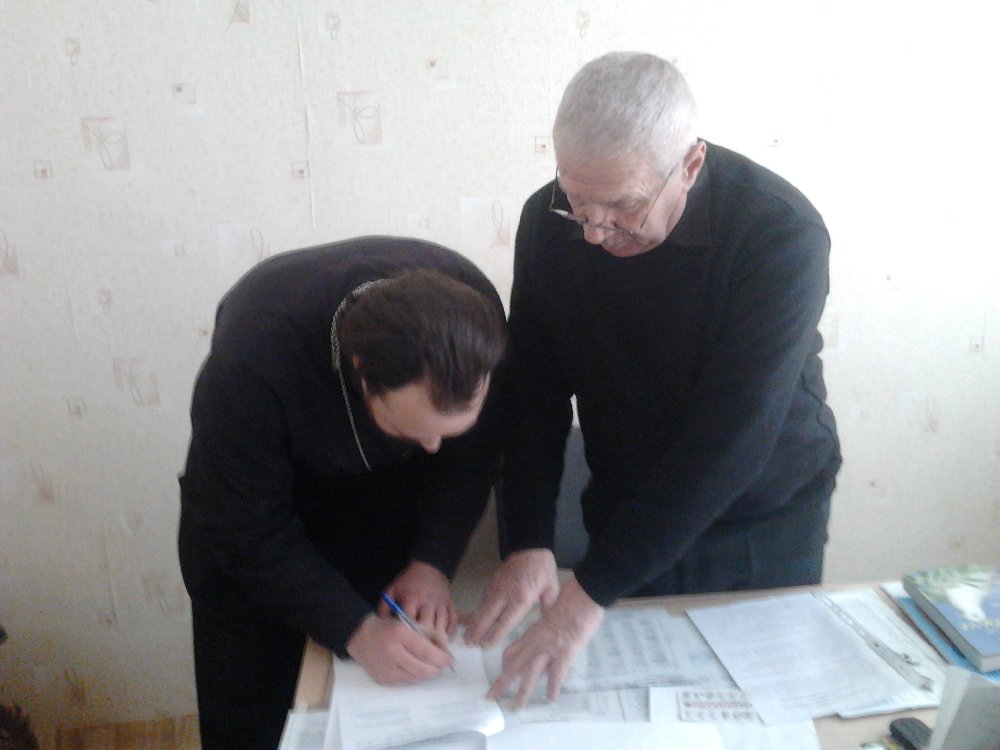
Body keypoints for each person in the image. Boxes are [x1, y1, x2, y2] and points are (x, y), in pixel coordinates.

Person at [464, 51, 841, 707]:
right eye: (578, 202)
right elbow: (533, 394)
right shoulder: (548, 224)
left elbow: (732, 439)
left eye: (625, 206)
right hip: (628, 496)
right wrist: (528, 540)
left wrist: (588, 593)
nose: (596, 232)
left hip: (761, 513)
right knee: (631, 705)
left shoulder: (779, 234)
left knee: (757, 708)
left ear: (690, 165)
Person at [178, 236, 506, 750]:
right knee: (252, 722)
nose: (433, 448)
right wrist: (354, 630)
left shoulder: (473, 313)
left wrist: (432, 563)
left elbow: (471, 460)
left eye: (448, 432)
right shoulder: (253, 358)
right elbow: (246, 527)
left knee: (371, 713)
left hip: (379, 512)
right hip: (248, 534)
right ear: (362, 375)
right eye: (413, 431)